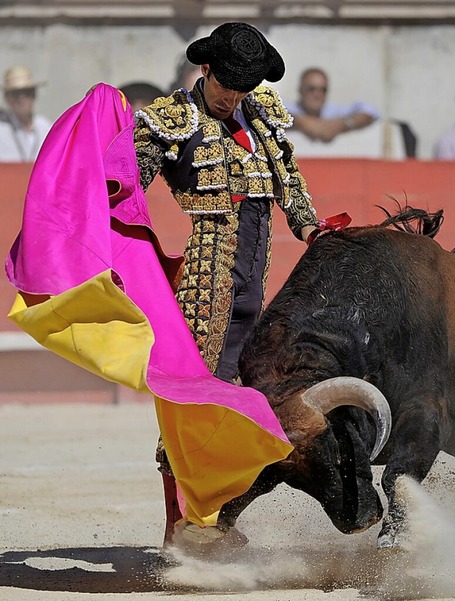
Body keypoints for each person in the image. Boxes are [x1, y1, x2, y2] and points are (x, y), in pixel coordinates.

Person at [133, 22, 326, 546]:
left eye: (243, 87)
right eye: (226, 84)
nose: (233, 96)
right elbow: (123, 186)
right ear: (206, 69)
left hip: (252, 288)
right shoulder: (174, 120)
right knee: (191, 406)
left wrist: (311, 228)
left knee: (239, 400)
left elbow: (290, 182)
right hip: (204, 286)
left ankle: (213, 519)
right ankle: (180, 530)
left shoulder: (262, 116)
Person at [286, 67, 380, 143]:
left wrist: (342, 124)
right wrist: (300, 122)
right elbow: (273, 115)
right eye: (311, 89)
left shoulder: (333, 111)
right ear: (300, 89)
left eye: (323, 90)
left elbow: (372, 111)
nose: (317, 94)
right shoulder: (289, 109)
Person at [0, 66, 52, 162]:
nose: (22, 99)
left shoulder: (45, 127)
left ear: (35, 94)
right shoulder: (2, 128)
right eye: (16, 94)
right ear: (7, 98)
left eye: (28, 92)